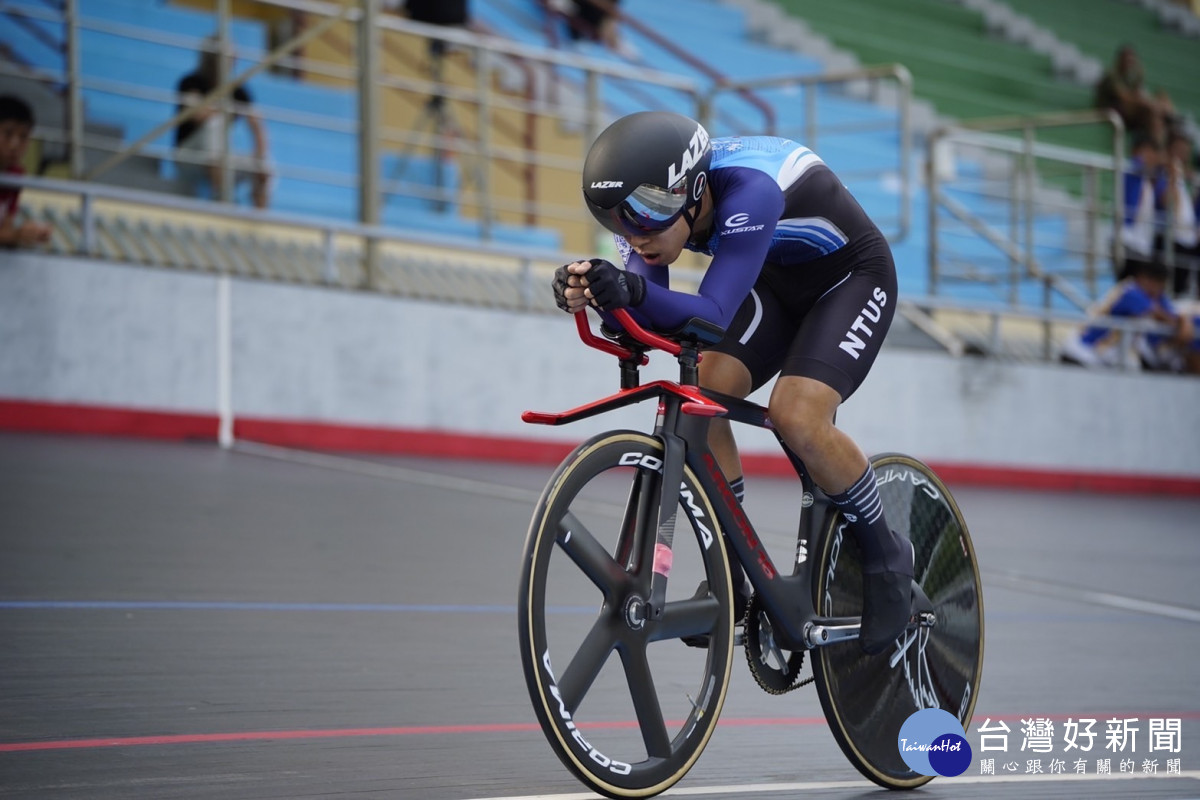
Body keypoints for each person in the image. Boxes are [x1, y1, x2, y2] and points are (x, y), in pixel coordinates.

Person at [553, 111, 913, 655]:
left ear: (695, 191)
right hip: (771, 277)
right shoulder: (648, 210)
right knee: (705, 396)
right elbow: (647, 309)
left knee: (796, 413)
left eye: (650, 216)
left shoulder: (752, 191)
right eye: (618, 223)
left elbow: (713, 312)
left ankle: (886, 555)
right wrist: (602, 295)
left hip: (850, 278)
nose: (636, 234)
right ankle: (733, 568)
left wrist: (628, 289)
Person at [173, 38, 271, 209]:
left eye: (232, 57)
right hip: (189, 156)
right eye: (225, 57)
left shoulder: (238, 91)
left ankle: (260, 220)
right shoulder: (190, 82)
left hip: (221, 158)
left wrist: (260, 161)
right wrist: (225, 107)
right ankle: (223, 201)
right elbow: (197, 114)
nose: (231, 61)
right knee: (215, 123)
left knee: (266, 166)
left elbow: (257, 127)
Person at [1060, 259, 1193, 370]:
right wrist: (1182, 322)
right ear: (1144, 278)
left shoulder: (1155, 296)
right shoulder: (1130, 291)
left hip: (1101, 356)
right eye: (1157, 284)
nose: (1158, 289)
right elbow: (1162, 316)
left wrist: (1183, 320)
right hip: (1081, 351)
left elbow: (1172, 313)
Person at [1094, 44, 1176, 146]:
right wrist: (1149, 104)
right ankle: (1158, 144)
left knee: (1159, 107)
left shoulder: (1132, 76)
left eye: (1132, 61)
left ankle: (1160, 142)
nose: (1129, 63)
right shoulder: (1112, 75)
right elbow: (1124, 98)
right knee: (1151, 111)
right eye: (1127, 60)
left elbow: (1138, 93)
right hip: (1110, 111)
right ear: (1120, 60)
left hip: (1130, 114)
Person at [0, 95, 51, 249]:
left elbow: (5, 228)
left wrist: (29, 234)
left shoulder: (16, 175)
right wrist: (16, 235)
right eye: (8, 134)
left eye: (23, 137)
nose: (15, 144)